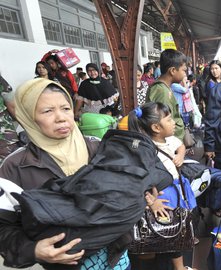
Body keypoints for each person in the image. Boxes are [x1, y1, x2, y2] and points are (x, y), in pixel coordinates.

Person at [0, 78, 129, 269]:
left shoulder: (97, 147)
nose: (61, 117)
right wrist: (34, 249)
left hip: (116, 257)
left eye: (66, 108)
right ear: (28, 116)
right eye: (47, 111)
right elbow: (3, 226)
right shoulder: (16, 166)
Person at [126, 102, 196, 270]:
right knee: (165, 230)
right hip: (163, 195)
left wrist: (180, 154)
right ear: (156, 127)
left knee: (176, 226)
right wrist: (151, 202)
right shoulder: (146, 149)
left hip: (177, 190)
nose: (174, 123)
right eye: (169, 119)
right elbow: (141, 179)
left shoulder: (170, 140)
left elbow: (180, 145)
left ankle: (178, 263)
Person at [146, 49, 187, 140]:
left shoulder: (163, 88)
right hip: (170, 147)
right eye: (184, 70)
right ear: (172, 70)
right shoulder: (162, 92)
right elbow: (163, 125)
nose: (185, 74)